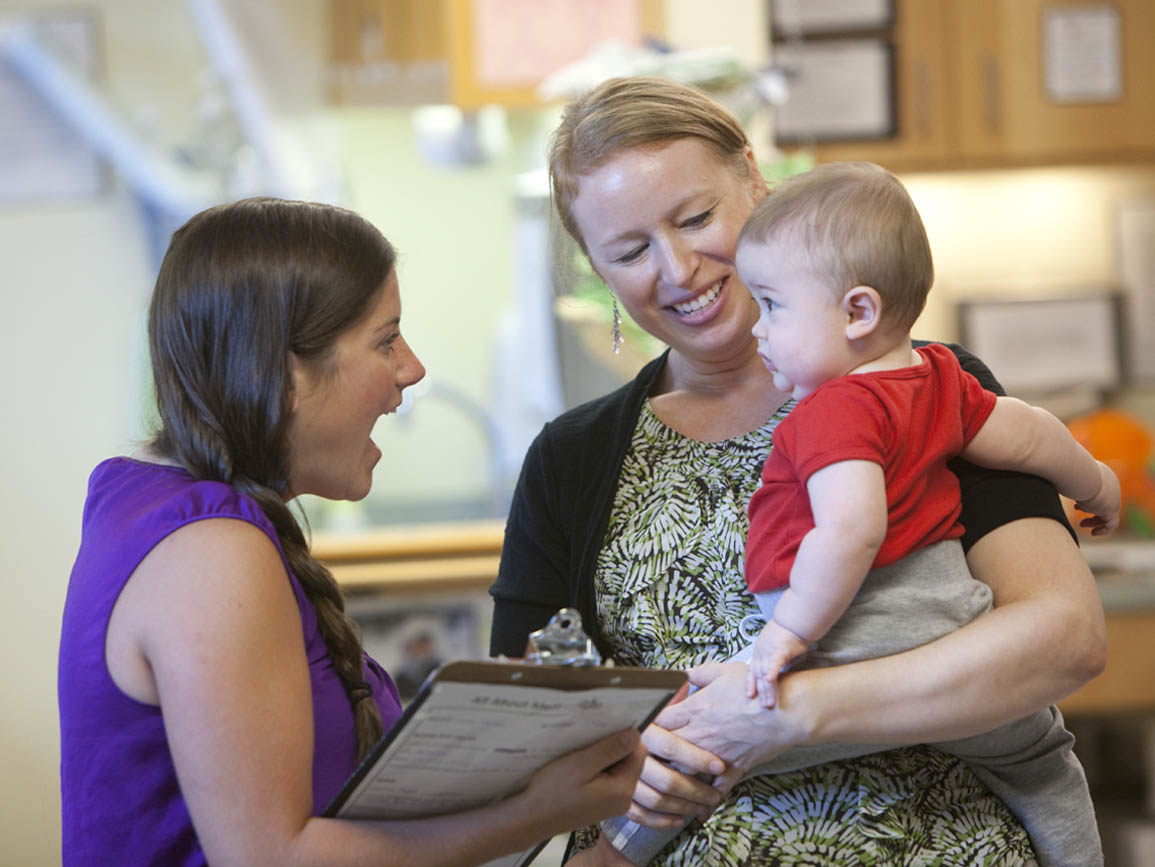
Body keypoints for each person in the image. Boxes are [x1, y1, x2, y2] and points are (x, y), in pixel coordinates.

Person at [489, 76, 1108, 866]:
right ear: (595, 269)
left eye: (694, 217)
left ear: (754, 178)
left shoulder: (919, 388)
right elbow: (519, 734)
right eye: (629, 250)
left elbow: (1064, 639)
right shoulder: (570, 458)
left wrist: (783, 710)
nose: (677, 269)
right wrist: (618, 768)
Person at [57, 197, 646, 867]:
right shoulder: (209, 551)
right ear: (285, 374)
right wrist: (539, 812)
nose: (411, 368)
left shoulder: (153, 506)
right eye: (385, 339)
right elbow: (270, 858)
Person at [731, 161, 1113, 864]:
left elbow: (850, 528)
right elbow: (1027, 431)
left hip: (863, 627)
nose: (758, 328)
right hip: (950, 620)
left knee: (711, 751)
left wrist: (788, 630)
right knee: (1038, 757)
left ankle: (622, 849)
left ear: (857, 312)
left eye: (772, 305)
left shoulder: (831, 410)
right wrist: (1095, 484)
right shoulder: (939, 377)